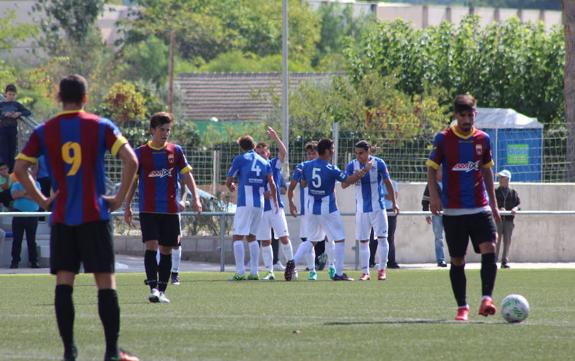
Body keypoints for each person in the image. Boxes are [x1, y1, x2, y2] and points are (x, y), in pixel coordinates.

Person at [13, 74, 139, 361]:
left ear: (58, 98)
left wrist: (43, 200)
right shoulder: (100, 126)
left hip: (62, 218)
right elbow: (131, 159)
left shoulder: (45, 131)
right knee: (105, 283)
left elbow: (20, 168)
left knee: (64, 283)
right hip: (95, 215)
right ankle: (110, 352)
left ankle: (69, 352)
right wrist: (118, 198)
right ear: (85, 97)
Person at [426, 94, 501, 322]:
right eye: (463, 115)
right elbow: (431, 168)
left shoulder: (483, 139)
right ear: (456, 116)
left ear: (475, 114)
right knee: (458, 260)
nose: (468, 119)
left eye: (471, 115)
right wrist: (434, 197)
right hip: (454, 211)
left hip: (480, 207)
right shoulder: (444, 139)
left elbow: (487, 171)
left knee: (490, 247)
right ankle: (462, 307)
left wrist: (494, 204)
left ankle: (486, 299)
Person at [124, 112, 202, 303]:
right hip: (148, 209)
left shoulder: (176, 151)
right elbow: (132, 182)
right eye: (162, 130)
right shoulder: (140, 153)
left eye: (168, 130)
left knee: (166, 250)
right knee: (151, 246)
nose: (165, 133)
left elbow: (186, 175)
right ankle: (153, 288)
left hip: (170, 210)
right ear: (152, 130)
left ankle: (162, 290)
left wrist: (196, 197)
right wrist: (127, 206)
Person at [299, 138, 373, 281]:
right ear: (326, 151)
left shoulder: (307, 166)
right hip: (328, 209)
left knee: (311, 240)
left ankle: (293, 262)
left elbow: (302, 183)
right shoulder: (330, 168)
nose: (333, 151)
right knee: (338, 239)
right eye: (332, 148)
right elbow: (346, 181)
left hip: (311, 209)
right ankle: (338, 272)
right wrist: (364, 170)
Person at [343, 140, 399, 281]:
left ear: (368, 152)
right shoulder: (352, 165)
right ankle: (365, 272)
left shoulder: (379, 163)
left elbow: (388, 183)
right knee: (363, 241)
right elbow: (344, 184)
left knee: (382, 238)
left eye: (361, 153)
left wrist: (394, 203)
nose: (358, 156)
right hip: (361, 210)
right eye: (356, 153)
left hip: (378, 208)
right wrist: (363, 171)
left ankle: (382, 269)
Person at [226, 135, 277, 281]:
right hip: (259, 203)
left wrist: (231, 186)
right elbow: (272, 184)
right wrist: (275, 201)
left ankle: (240, 272)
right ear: (254, 146)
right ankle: (254, 272)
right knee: (252, 237)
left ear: (241, 147)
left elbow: (229, 181)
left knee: (237, 237)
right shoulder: (264, 161)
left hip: (245, 202)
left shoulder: (240, 159)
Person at [254, 126, 295, 281]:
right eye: (258, 153)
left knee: (284, 237)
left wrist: (275, 136)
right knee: (265, 241)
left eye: (263, 152)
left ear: (268, 153)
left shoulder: (273, 164)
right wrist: (261, 194)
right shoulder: (254, 167)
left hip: (276, 208)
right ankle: (270, 271)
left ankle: (291, 266)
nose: (261, 155)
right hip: (262, 209)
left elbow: (283, 153)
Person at [287, 141, 326, 281]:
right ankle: (312, 270)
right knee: (309, 240)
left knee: (330, 239)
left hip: (324, 209)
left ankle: (332, 267)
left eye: (313, 153)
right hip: (307, 211)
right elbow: (292, 187)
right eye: (309, 153)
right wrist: (291, 203)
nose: (310, 155)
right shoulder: (302, 167)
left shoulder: (325, 166)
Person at [10, 164, 40, 268]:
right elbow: (14, 195)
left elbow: (36, 197)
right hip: (18, 213)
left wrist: (22, 194)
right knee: (17, 239)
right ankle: (15, 262)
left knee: (31, 239)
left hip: (32, 214)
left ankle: (34, 262)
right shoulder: (16, 184)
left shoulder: (37, 184)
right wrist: (27, 192)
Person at [0, 84, 32, 172]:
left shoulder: (16, 104)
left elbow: (28, 112)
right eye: (10, 94)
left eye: (13, 95)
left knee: (12, 151)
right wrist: (4, 115)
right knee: (4, 152)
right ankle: (4, 172)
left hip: (13, 131)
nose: (11, 96)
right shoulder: (1, 105)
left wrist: (19, 113)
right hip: (3, 130)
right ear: (5, 94)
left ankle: (11, 172)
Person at [422, 166, 447, 267]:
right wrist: (426, 214)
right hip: (436, 214)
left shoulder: (449, 183)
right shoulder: (430, 185)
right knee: (438, 238)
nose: (441, 173)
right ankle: (441, 260)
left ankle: (456, 258)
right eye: (440, 171)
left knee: (453, 236)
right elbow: (425, 201)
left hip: (449, 214)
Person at [495, 169, 520, 269]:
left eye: (502, 177)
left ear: (507, 179)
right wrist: (499, 208)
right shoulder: (495, 191)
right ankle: (494, 261)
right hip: (498, 221)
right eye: (499, 178)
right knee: (496, 241)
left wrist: (515, 208)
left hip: (509, 221)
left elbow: (518, 204)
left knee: (507, 241)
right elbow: (491, 203)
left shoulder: (513, 192)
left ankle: (504, 261)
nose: (500, 179)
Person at [383, 179, 400, 269]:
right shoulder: (376, 183)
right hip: (378, 211)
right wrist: (388, 195)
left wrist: (383, 195)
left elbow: (394, 196)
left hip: (390, 211)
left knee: (390, 237)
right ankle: (371, 261)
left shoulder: (393, 183)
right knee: (373, 237)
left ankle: (391, 261)